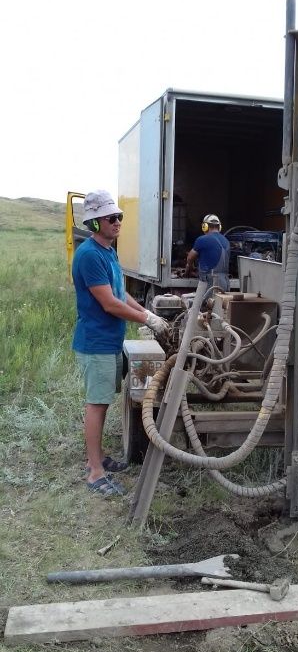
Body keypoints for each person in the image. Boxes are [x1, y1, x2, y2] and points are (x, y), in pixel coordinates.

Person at [72, 189, 168, 496]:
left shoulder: (109, 252)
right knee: (97, 404)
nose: (117, 222)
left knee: (103, 401)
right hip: (96, 341)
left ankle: (97, 458)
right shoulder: (88, 256)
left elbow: (119, 293)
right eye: (111, 218)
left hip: (110, 340)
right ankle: (94, 471)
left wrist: (145, 311)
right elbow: (109, 305)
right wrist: (147, 321)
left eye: (119, 217)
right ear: (95, 223)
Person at [184, 214, 230, 294]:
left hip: (210, 283)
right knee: (220, 306)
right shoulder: (226, 241)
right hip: (225, 282)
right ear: (219, 227)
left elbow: (190, 258)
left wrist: (188, 269)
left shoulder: (202, 240)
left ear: (205, 226)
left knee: (205, 305)